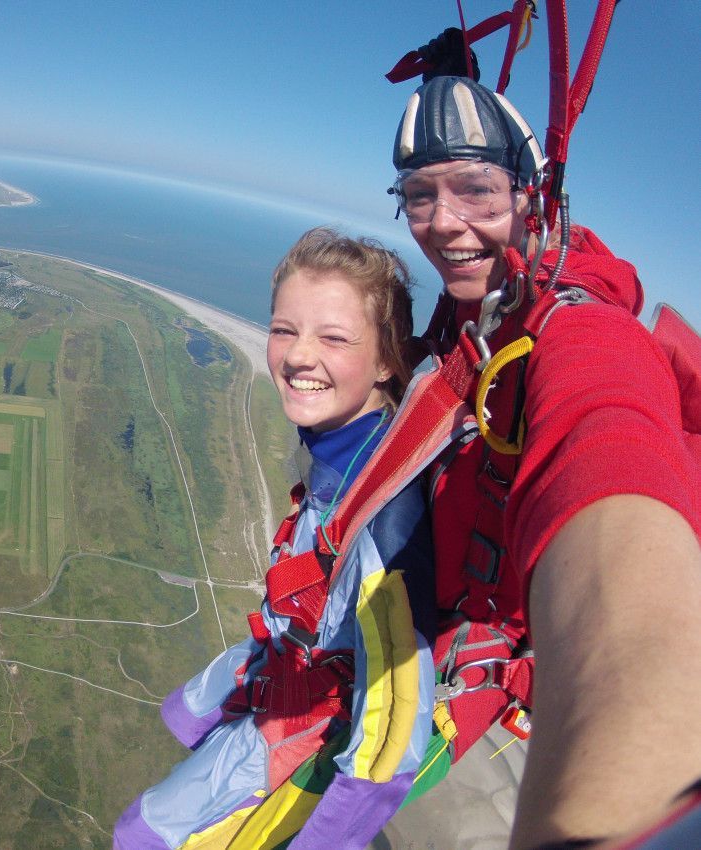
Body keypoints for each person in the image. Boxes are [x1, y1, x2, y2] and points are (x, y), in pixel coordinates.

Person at [389, 74, 701, 848]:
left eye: (475, 190)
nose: (442, 222)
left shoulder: (584, 334)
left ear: (532, 196)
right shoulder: (484, 311)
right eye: (417, 195)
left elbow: (609, 456)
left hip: (518, 711)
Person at [113, 228, 438, 849]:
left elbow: (393, 730)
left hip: (302, 731)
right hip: (281, 681)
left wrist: (323, 841)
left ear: (388, 360)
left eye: (334, 338)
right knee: (186, 721)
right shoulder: (349, 458)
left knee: (143, 836)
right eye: (284, 329)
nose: (297, 356)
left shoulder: (384, 520)